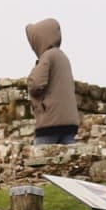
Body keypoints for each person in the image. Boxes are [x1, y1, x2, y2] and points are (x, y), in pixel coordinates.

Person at [25, 17, 77, 146]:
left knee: (39, 161)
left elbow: (36, 84)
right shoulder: (63, 56)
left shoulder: (48, 56)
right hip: (70, 123)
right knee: (70, 162)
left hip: (50, 122)